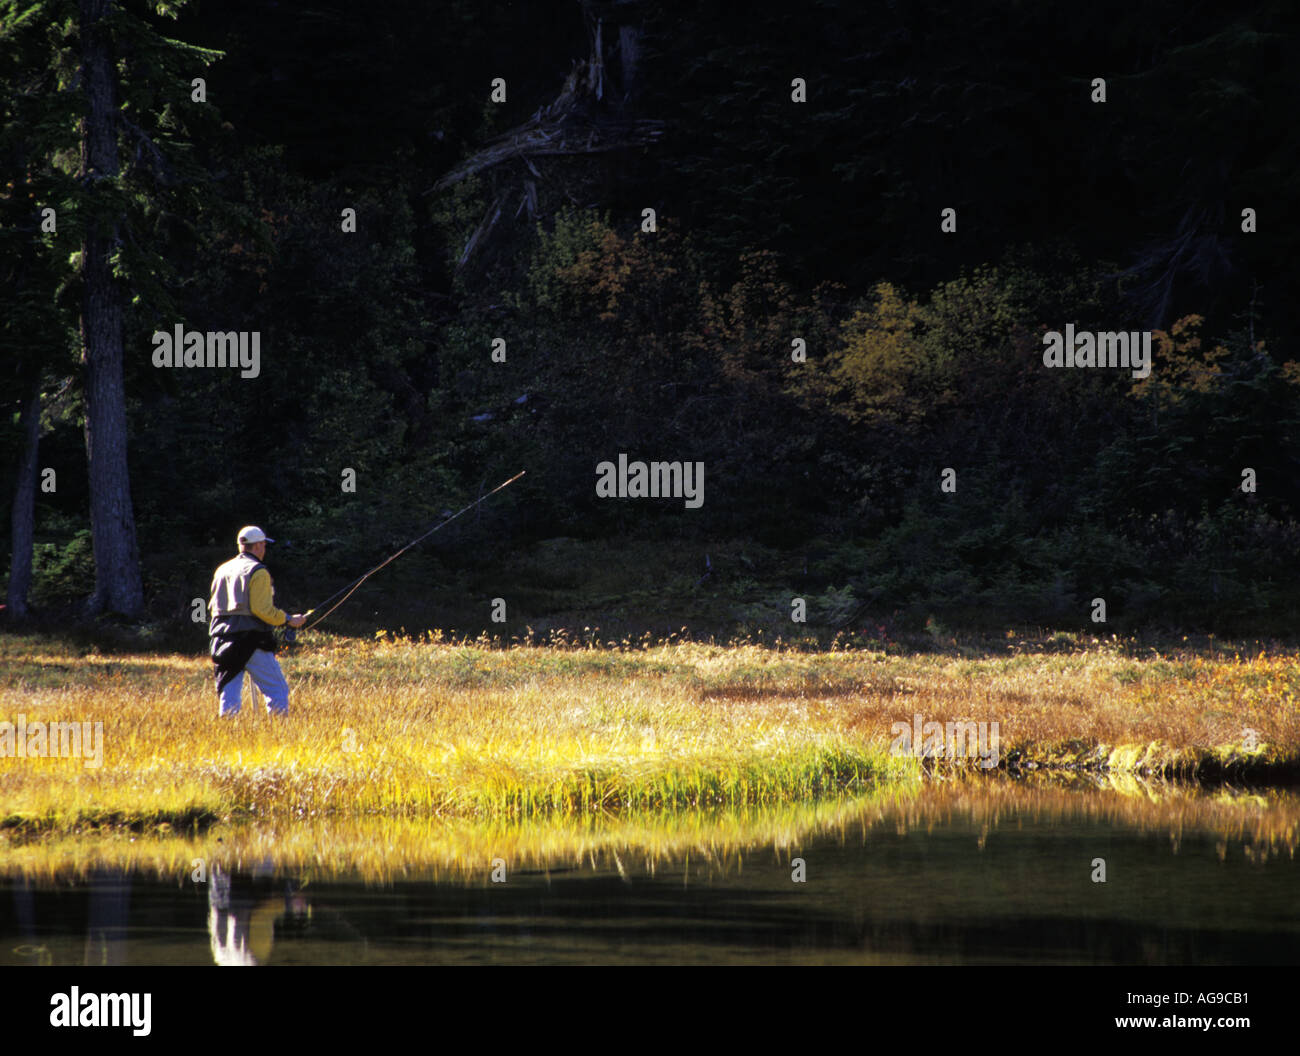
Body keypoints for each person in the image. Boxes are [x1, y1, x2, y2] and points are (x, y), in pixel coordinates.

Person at [208, 526, 306, 716]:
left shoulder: (222, 570)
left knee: (228, 694)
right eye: (264, 545)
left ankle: (227, 735)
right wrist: (288, 620)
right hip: (250, 640)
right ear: (259, 545)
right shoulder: (258, 571)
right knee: (277, 690)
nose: (264, 549)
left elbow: (213, 607)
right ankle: (278, 734)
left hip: (220, 640)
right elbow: (262, 610)